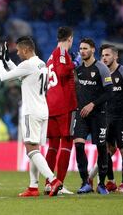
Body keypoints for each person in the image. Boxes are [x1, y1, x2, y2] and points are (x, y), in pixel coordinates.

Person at [0, 36, 62, 197]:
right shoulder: (41, 64)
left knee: (31, 149)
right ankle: (33, 187)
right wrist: (7, 59)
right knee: (36, 149)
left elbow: (4, 77)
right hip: (42, 110)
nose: (17, 53)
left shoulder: (28, 64)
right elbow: (19, 74)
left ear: (25, 50)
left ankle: (53, 180)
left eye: (18, 50)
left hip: (31, 111)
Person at [87, 44, 123, 193]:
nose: (104, 58)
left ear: (115, 56)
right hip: (106, 118)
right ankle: (110, 181)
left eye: (107, 55)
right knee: (106, 150)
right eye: (103, 55)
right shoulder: (100, 73)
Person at [74, 38, 113, 195]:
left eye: (85, 48)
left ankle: (102, 184)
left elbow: (109, 92)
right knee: (78, 145)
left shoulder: (101, 68)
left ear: (93, 50)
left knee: (101, 148)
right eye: (80, 48)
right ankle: (85, 182)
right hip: (82, 114)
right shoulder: (78, 69)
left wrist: (93, 104)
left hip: (98, 115)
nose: (82, 51)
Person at [44, 26, 77, 195]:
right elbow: (64, 71)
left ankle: (49, 183)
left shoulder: (50, 57)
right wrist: (75, 63)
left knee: (53, 145)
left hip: (51, 104)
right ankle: (60, 184)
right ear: (70, 38)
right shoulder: (62, 52)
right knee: (67, 142)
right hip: (65, 104)